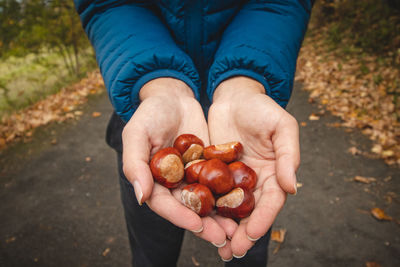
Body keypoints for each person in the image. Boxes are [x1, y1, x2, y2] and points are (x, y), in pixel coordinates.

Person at [74, 1, 313, 266]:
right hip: (153, 114)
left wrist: (246, 80)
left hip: (241, 110)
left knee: (246, 247)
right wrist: (156, 83)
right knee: (152, 250)